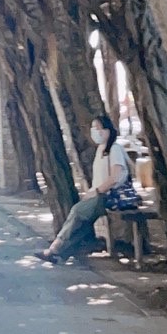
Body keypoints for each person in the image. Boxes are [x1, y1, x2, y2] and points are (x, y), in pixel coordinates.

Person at [39, 113, 133, 263]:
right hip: (100, 195)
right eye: (94, 128)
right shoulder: (101, 149)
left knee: (77, 212)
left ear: (109, 130)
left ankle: (55, 248)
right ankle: (60, 254)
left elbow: (114, 177)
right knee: (84, 225)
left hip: (108, 196)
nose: (97, 132)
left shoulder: (114, 149)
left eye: (100, 128)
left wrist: (96, 191)